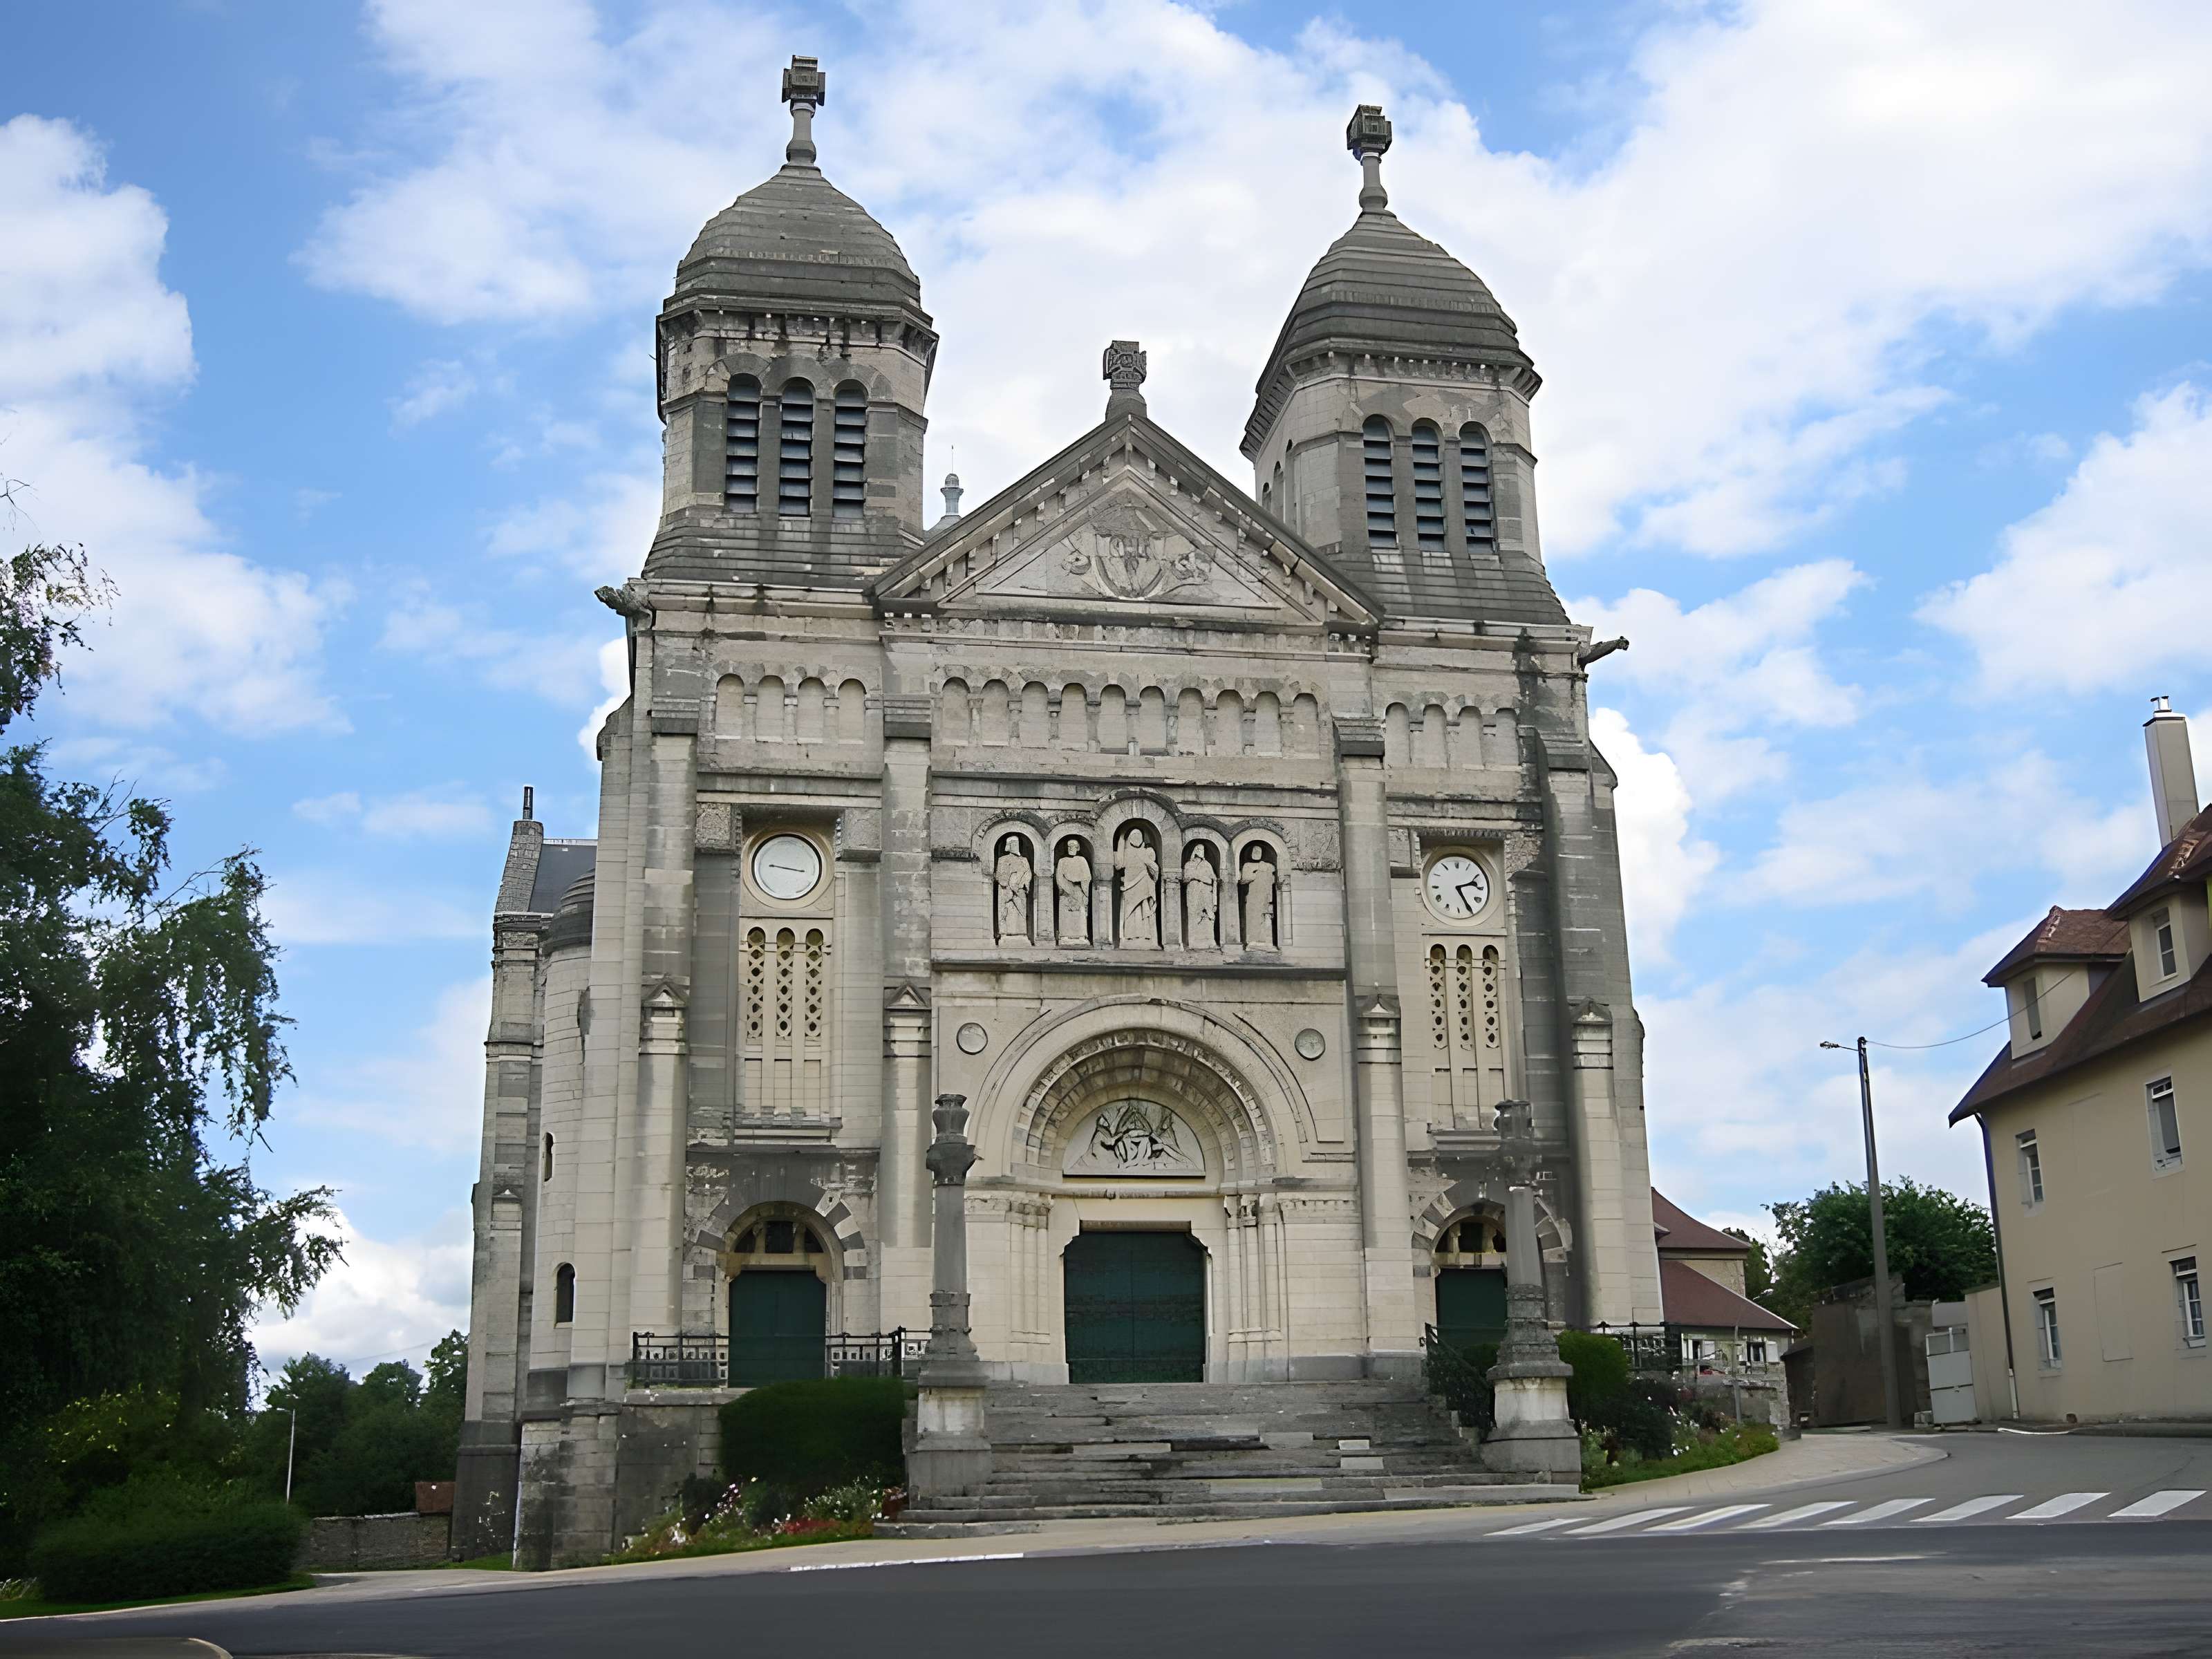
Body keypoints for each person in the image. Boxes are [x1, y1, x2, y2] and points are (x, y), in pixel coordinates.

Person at [1116, 827, 1159, 946]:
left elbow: (1154, 867)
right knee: (1131, 911)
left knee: (1144, 910)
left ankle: (1147, 936)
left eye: (1139, 836)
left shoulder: (1145, 852)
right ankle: (1130, 936)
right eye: (1134, 836)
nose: (1136, 838)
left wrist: (1152, 877)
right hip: (1130, 886)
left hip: (1144, 886)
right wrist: (1121, 840)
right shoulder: (1126, 852)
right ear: (1129, 838)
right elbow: (1119, 865)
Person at [993, 834, 1032, 942]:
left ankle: (1022, 934)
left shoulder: (1024, 860)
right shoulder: (1002, 860)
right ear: (1009, 845)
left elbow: (1028, 874)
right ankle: (1005, 935)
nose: (1016, 846)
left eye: (1017, 843)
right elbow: (999, 876)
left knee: (1021, 914)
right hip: (1006, 893)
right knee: (1007, 914)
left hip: (1019, 892)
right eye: (1014, 843)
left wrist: (1021, 884)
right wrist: (1010, 884)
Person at [1055, 838, 1091, 946]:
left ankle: (1081, 936)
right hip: (1066, 892)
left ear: (1078, 848)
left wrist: (1082, 892)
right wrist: (1068, 889)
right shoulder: (1062, 861)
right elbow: (1059, 878)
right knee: (1066, 914)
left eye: (1074, 846)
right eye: (1069, 846)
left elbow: (1087, 877)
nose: (1071, 848)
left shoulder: (1082, 860)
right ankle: (1065, 936)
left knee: (1079, 914)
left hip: (1078, 890)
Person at [1239, 847, 1277, 947]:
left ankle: (1264, 940)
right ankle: (1252, 940)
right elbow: (1244, 879)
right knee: (1252, 917)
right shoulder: (1247, 866)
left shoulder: (1267, 865)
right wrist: (1255, 873)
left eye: (1259, 851)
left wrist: (1262, 867)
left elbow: (1273, 873)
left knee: (1264, 917)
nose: (1257, 853)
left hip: (1264, 895)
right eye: (1255, 851)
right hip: (1252, 896)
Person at [1183, 844, 1218, 946]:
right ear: (1194, 850)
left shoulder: (1207, 864)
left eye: (1202, 849)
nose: (1201, 851)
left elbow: (1214, 879)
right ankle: (1194, 941)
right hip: (1193, 893)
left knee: (1209, 916)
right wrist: (1197, 876)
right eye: (1198, 849)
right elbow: (1185, 878)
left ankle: (1209, 940)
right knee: (1194, 915)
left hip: (1206, 893)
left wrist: (1215, 901)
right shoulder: (1189, 864)